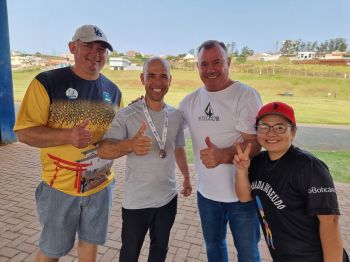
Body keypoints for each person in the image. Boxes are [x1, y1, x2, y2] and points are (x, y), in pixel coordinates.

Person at [14, 24, 123, 262]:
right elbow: (24, 133)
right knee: (52, 250)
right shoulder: (47, 82)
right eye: (88, 46)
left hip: (100, 186)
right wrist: (67, 136)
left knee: (90, 244)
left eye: (102, 49)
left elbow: (117, 133)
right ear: (73, 47)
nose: (96, 53)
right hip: (60, 189)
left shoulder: (113, 91)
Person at [97, 57, 192, 262]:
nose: (157, 82)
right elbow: (103, 150)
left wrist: (186, 176)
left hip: (168, 198)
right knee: (129, 254)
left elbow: (178, 148)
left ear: (170, 80)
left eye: (163, 76)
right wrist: (129, 145)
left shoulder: (175, 115)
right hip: (136, 202)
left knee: (160, 251)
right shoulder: (127, 115)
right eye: (151, 76)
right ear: (142, 79)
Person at [234, 101, 349, 262]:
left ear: (293, 132)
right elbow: (244, 197)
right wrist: (241, 170)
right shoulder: (257, 162)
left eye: (280, 127)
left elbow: (330, 221)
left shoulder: (310, 167)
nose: (271, 133)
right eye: (264, 127)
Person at [178, 40, 262, 262]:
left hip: (242, 197)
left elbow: (255, 143)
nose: (210, 69)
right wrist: (145, 106)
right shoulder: (189, 101)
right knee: (214, 248)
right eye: (203, 64)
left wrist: (223, 155)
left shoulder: (245, 95)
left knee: (248, 254)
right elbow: (168, 124)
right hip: (206, 195)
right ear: (197, 67)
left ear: (229, 62)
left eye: (217, 62)